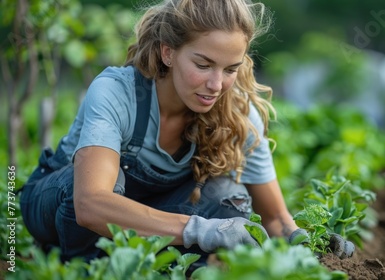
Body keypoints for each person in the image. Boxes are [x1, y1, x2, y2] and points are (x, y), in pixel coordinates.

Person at [20, 0, 354, 264]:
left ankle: (167, 268)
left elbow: (277, 220)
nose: (216, 85)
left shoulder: (238, 113)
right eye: (204, 65)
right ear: (168, 52)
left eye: (230, 69)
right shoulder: (117, 92)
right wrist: (202, 230)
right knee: (98, 185)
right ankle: (80, 266)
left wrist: (312, 244)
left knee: (228, 199)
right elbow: (90, 204)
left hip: (150, 221)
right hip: (58, 208)